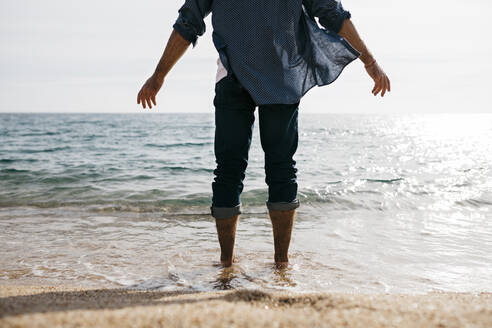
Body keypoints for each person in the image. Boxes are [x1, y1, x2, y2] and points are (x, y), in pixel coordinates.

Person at [137, 0, 390, 268]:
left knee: (230, 170)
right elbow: (332, 14)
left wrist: (159, 76)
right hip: (277, 77)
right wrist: (370, 63)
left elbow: (189, 21)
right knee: (277, 169)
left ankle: (227, 265)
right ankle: (279, 265)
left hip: (241, 76)